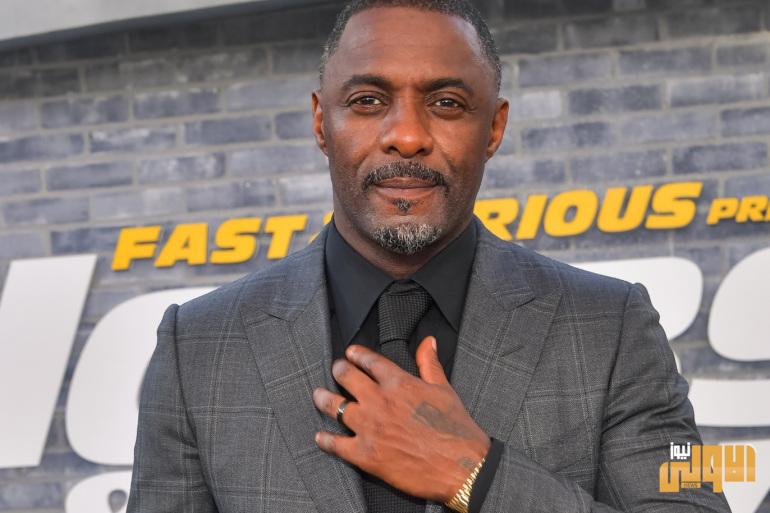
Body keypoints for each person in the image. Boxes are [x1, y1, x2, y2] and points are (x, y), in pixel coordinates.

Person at [126, 0, 732, 512]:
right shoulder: (197, 346)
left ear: (493, 129)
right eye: (368, 100)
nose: (408, 136)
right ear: (320, 122)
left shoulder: (612, 326)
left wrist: (474, 474)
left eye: (445, 103)